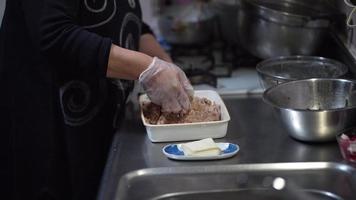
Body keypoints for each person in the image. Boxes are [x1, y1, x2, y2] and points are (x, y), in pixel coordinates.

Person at [0, 0, 193, 199]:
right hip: (51, 133)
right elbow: (54, 34)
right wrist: (149, 69)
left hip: (98, 123)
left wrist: (162, 61)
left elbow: (119, 18)